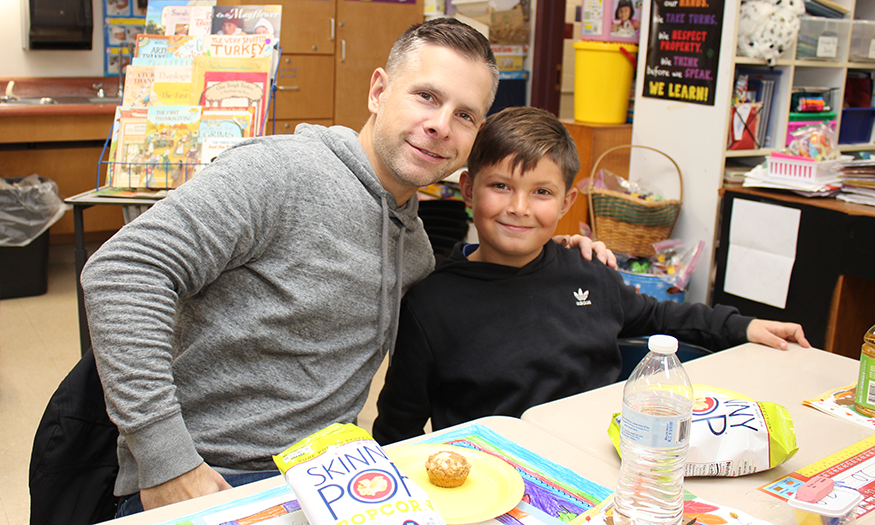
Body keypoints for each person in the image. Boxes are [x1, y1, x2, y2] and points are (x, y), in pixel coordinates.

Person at [81, 18, 611, 516]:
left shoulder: (415, 249)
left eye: (464, 115)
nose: (439, 126)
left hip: (333, 479)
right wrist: (167, 459)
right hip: (213, 476)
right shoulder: (278, 173)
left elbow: (476, 292)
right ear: (378, 91)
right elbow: (123, 272)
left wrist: (551, 249)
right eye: (426, 96)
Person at [371, 107, 810, 446]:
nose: (519, 208)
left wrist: (746, 326)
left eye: (542, 192)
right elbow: (397, 427)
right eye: (501, 186)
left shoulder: (590, 273)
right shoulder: (431, 303)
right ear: (468, 189)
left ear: (566, 203)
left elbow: (664, 318)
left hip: (605, 463)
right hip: (503, 483)